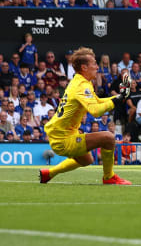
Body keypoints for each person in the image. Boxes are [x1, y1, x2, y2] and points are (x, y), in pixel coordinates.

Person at [39, 47, 131, 184]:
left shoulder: (81, 81)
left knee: (87, 160)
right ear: (84, 67)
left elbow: (98, 102)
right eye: (94, 63)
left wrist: (120, 96)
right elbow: (95, 111)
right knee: (108, 138)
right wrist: (117, 100)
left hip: (63, 135)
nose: (97, 67)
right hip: (63, 139)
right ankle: (109, 177)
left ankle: (49, 173)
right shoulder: (81, 86)